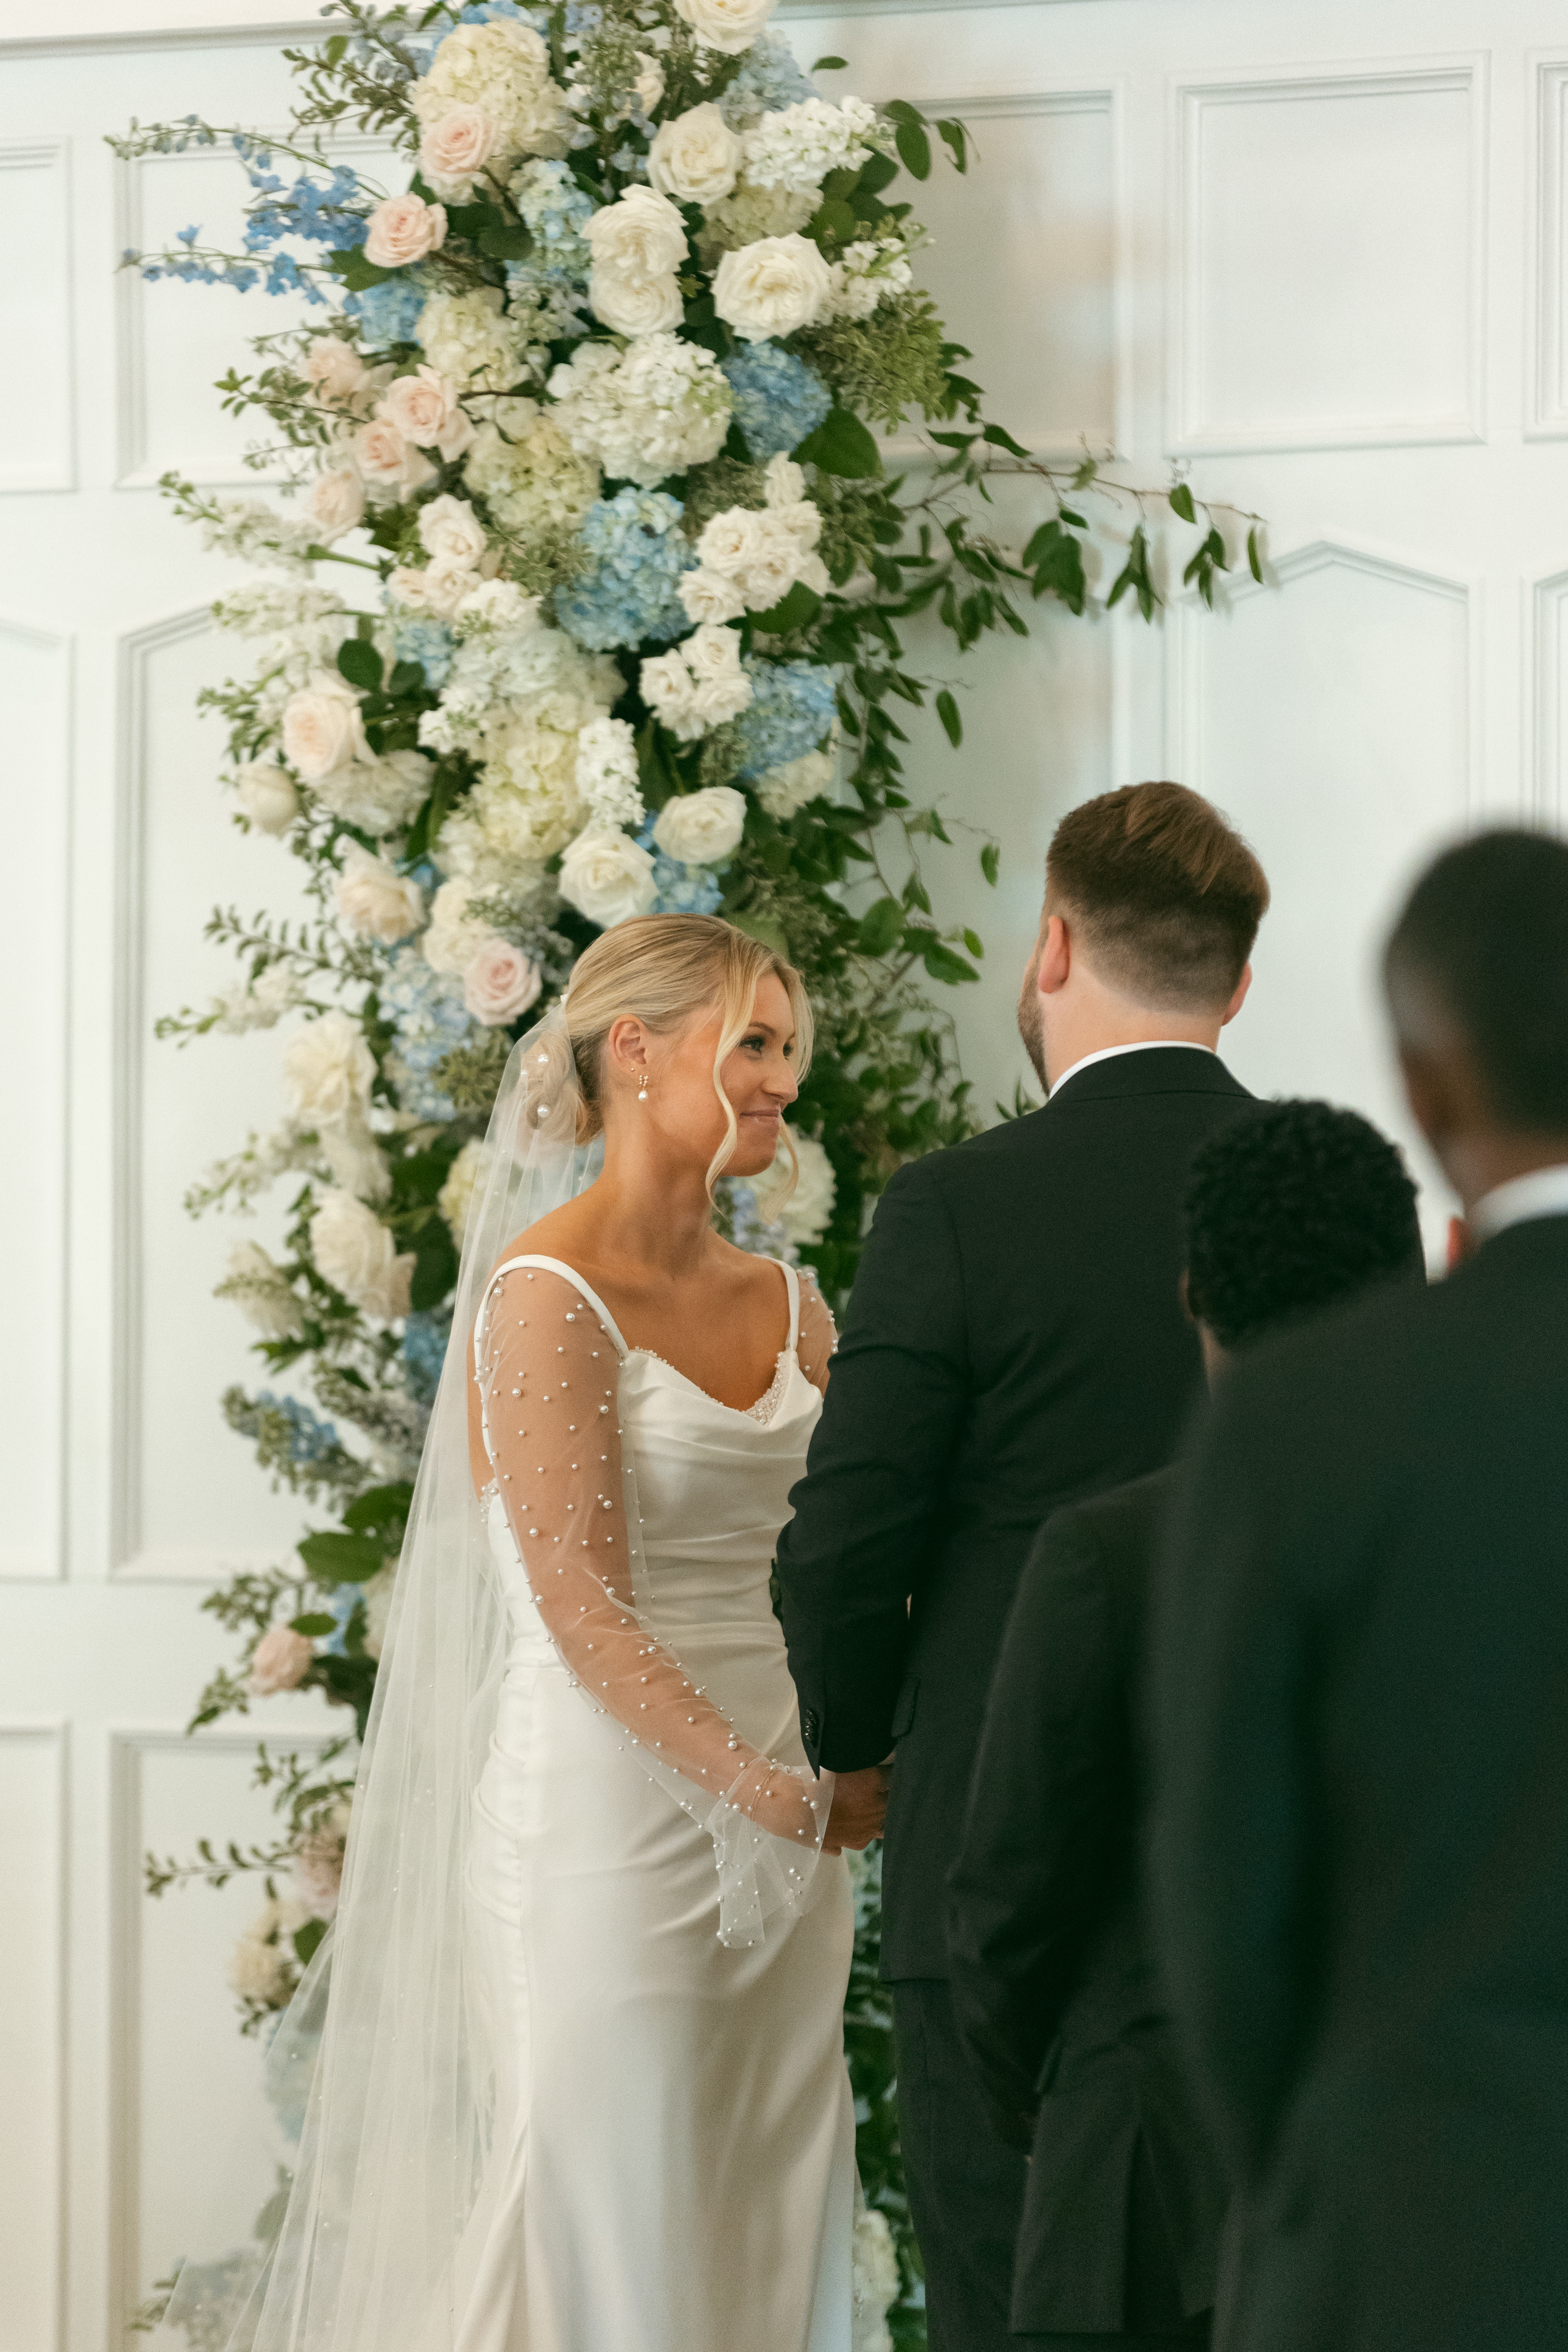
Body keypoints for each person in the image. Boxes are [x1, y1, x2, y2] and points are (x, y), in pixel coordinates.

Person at [174, 915, 886, 2352]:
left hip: (794, 1850)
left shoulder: (798, 1305)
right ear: (635, 1050)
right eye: (752, 1043)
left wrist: (842, 1783)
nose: (780, 1084)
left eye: (790, 1054)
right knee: (604, 2224)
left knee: (763, 2216)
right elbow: (582, 1613)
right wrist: (781, 1800)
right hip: (614, 1844)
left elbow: (862, 1558)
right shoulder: (546, 1296)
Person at [775, 782, 1270, 2351]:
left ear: (1051, 946)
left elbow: (846, 1542)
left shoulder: (955, 1209)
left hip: (1003, 1873)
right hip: (1270, 1869)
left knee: (1009, 2312)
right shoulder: (1330, 1200)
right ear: (1239, 985)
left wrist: (853, 1752)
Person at [1150, 829, 1568, 2352]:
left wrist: (1319, 2183)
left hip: (1411, 2234)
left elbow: (1222, 1898)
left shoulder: (1302, 1421)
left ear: (1428, 1085)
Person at [947, 1100, 1424, 2352]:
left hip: (1143, 2196)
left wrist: (1076, 2093)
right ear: (1414, 1280)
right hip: (1434, 2190)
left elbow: (1006, 1906)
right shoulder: (1503, 1531)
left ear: (1194, 1298)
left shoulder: (1108, 1553)